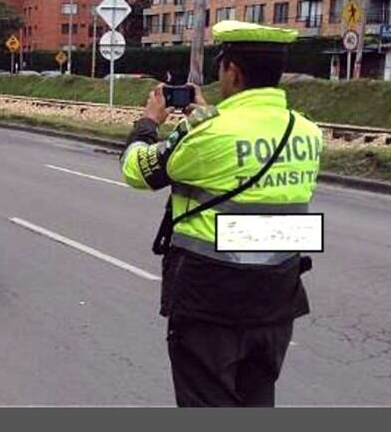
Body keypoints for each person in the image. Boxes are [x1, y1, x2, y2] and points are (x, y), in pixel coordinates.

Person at [120, 21, 323, 407]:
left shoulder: (208, 133)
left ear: (232, 71)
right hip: (279, 293)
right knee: (257, 401)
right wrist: (210, 116)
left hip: (211, 297)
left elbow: (137, 171)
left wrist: (148, 123)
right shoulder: (306, 132)